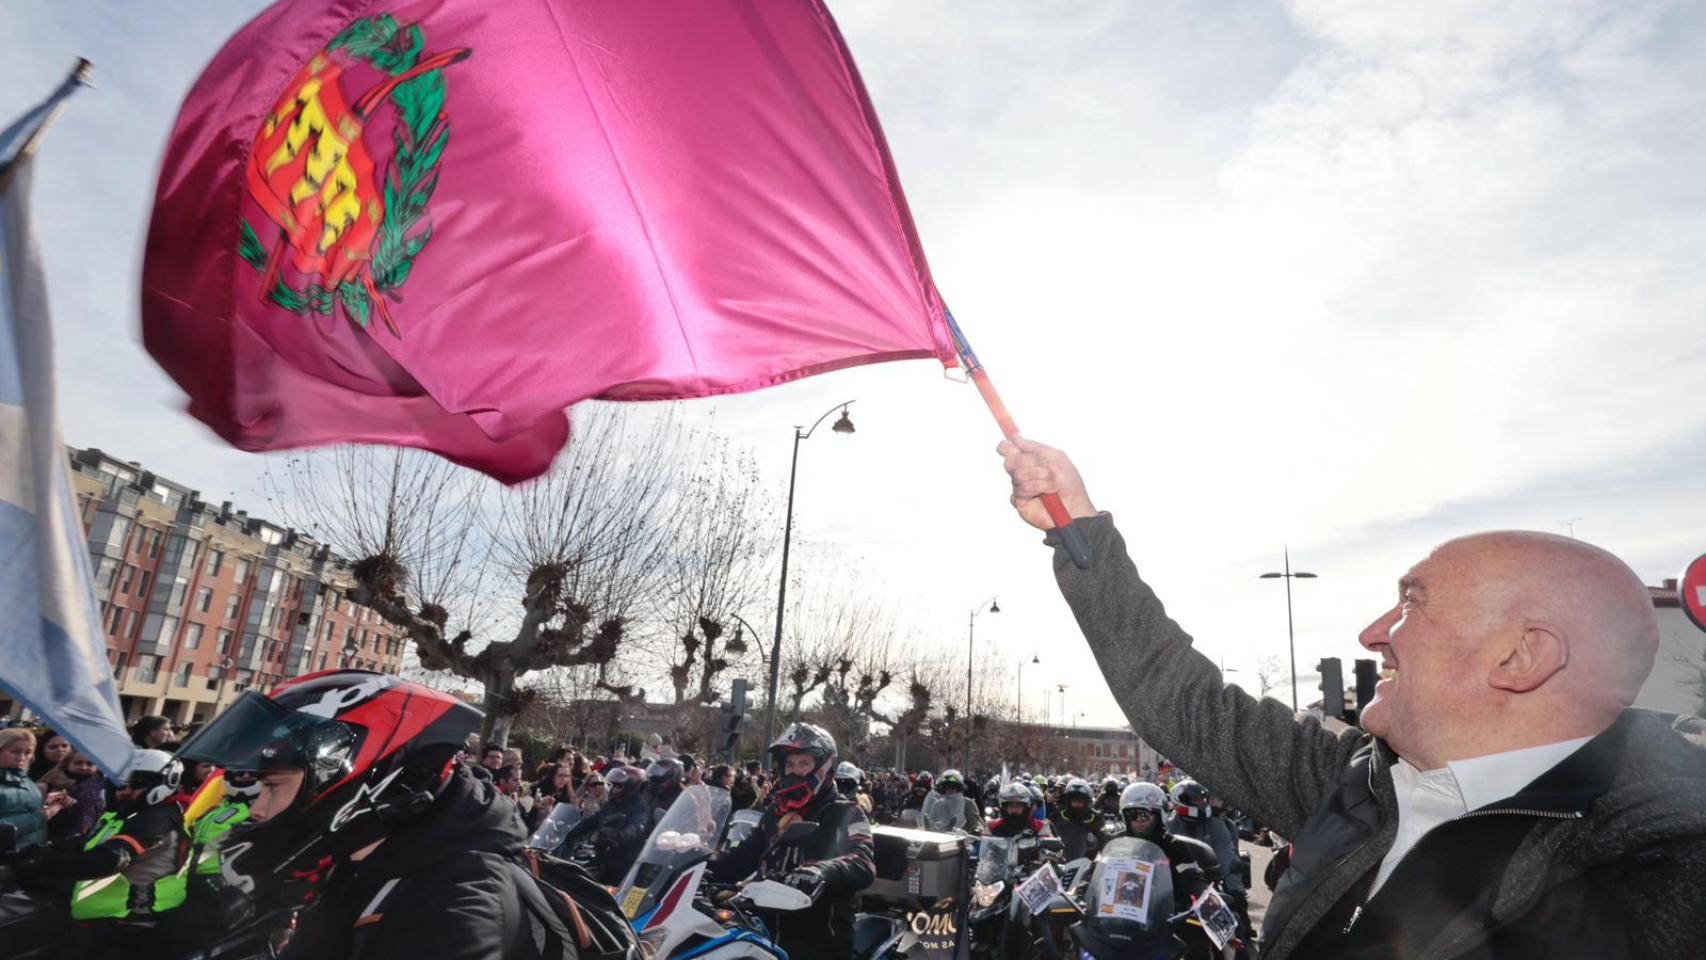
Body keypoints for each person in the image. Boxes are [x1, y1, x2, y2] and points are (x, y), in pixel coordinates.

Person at [999, 435, 1706, 959]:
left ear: (1522, 656)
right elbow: (1183, 698)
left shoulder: (1668, 872)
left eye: (1411, 605)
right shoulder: (1360, 781)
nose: (1374, 634)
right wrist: (1079, 528)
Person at [174, 670, 597, 960]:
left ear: (361, 782)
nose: (259, 810)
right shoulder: (362, 864)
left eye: (272, 788)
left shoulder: (454, 903)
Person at [708, 724, 873, 960]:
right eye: (790, 764)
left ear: (825, 767)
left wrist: (820, 871)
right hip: (767, 935)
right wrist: (700, 862)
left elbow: (862, 860)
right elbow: (743, 857)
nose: (794, 771)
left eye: (803, 763)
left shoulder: (847, 812)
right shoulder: (776, 813)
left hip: (822, 942)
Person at [1115, 783, 1222, 912]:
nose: (1139, 820)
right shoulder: (1116, 843)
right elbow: (1092, 874)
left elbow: (1191, 875)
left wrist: (1204, 893)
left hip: (1165, 917)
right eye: (1132, 815)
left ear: (1160, 815)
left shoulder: (1173, 845)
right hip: (1117, 914)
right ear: (1125, 817)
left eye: (1145, 815)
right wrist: (1083, 891)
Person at [560, 764, 651, 885]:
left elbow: (636, 828)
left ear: (631, 786)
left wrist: (616, 837)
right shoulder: (612, 804)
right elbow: (592, 821)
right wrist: (570, 832)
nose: (613, 789)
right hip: (603, 857)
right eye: (613, 785)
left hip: (624, 864)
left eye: (619, 786)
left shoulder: (640, 807)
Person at [0, 727, 69, 850]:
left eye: (27, 753)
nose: (21, 757)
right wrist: (42, 815)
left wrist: (51, 804)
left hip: (28, 853)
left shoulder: (26, 780)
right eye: (15, 751)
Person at [1049, 777, 1104, 861]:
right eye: (1074, 801)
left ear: (1086, 802)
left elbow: (1105, 840)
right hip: (1061, 866)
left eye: (1080, 801)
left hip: (1089, 867)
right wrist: (1047, 804)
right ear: (1068, 801)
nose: (1077, 804)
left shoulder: (1095, 819)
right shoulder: (1057, 817)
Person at [986, 781, 1052, 839]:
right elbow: (981, 849)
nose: (1014, 810)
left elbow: (1050, 850)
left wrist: (1049, 851)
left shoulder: (1039, 827)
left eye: (1019, 806)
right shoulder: (992, 826)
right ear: (1004, 807)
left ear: (1027, 807)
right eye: (1010, 806)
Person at [644, 757, 684, 825]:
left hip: (666, 834)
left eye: (658, 773)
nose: (654, 778)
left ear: (672, 775)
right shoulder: (648, 790)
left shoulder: (682, 798)